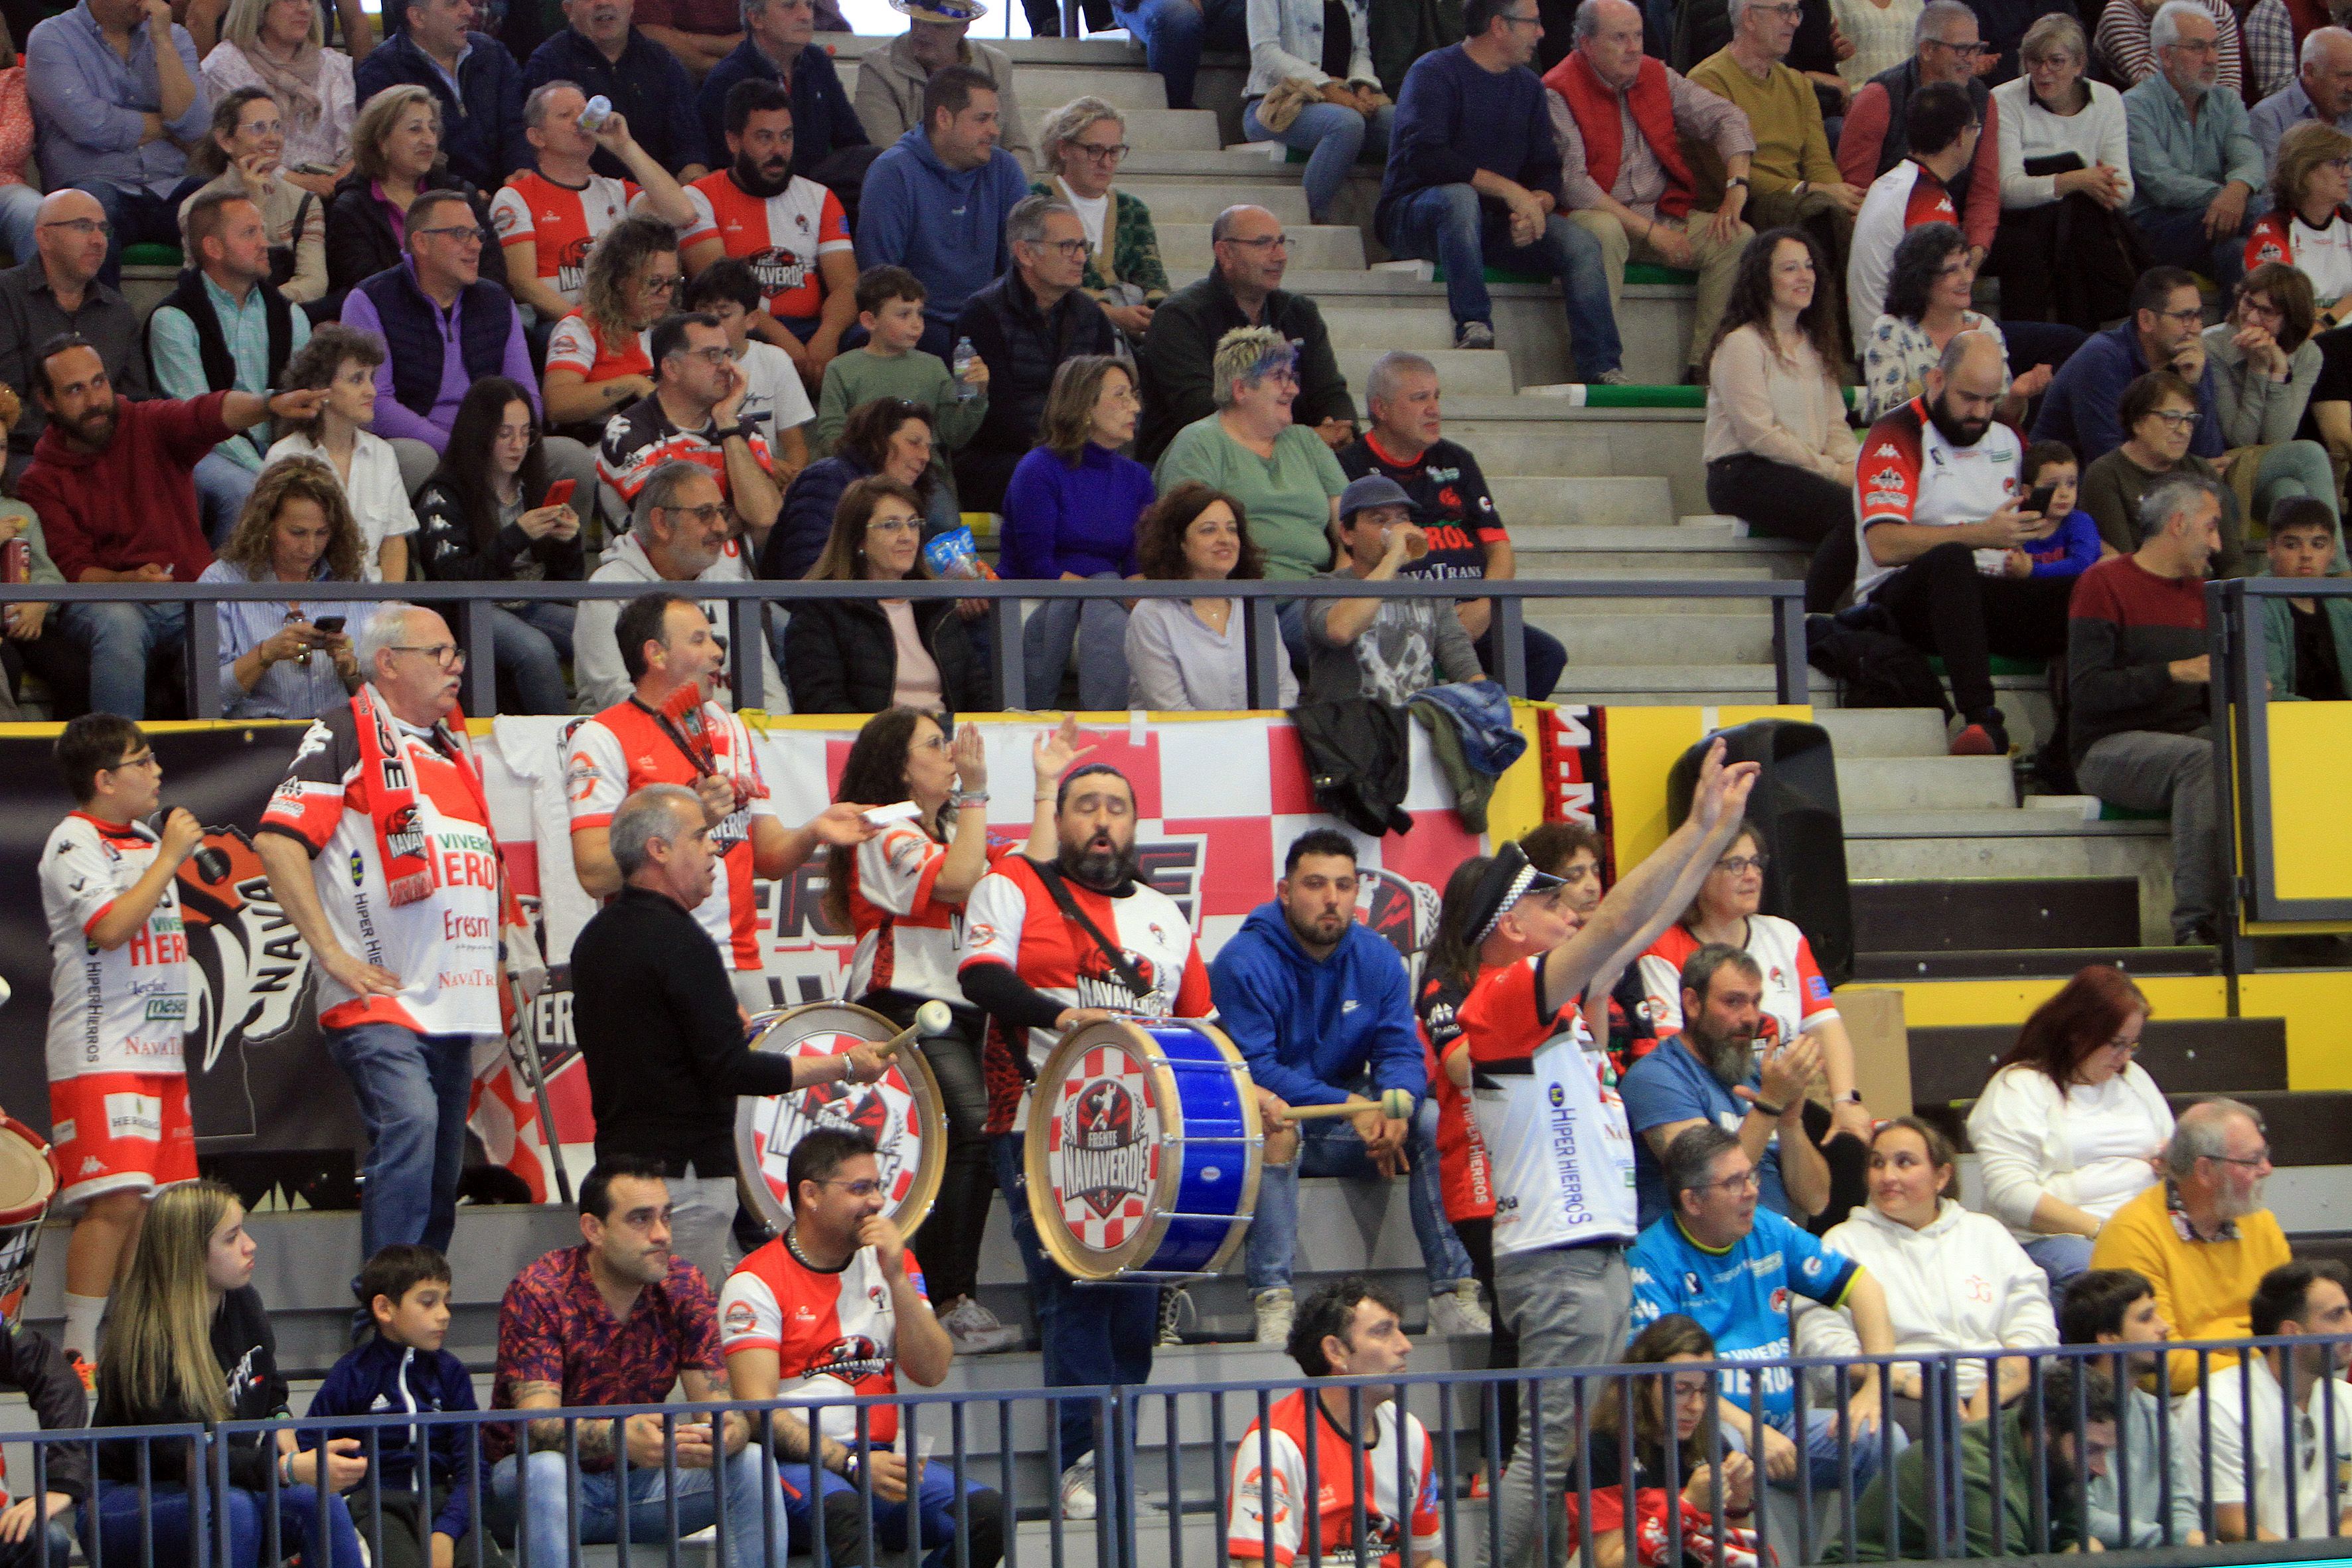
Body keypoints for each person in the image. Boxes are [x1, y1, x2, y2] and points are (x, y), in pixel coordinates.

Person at [1458, 740, 1759, 1568]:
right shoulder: (1505, 998)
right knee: (1542, 1458)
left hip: (1589, 1257)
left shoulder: (1560, 1008)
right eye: (1555, 907)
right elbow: (1623, 917)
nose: (1575, 917)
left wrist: (1708, 840)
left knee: (1563, 1457)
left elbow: (1647, 923)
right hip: (1558, 1262)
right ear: (1510, 926)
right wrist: (1696, 822)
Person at [956, 755, 1221, 1515]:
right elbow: (980, 976)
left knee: (1136, 1304)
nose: (1101, 820)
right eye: (1085, 805)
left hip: (1145, 1137)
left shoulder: (1165, 915)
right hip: (1038, 1122)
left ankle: (1110, 1467)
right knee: (1074, 1292)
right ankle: (1080, 1467)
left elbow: (1201, 1027)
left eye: (1116, 807)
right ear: (1060, 817)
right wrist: (1055, 1015)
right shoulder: (1011, 884)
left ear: (1134, 826)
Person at [254, 602, 507, 1268]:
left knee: (442, 1171)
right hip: (379, 996)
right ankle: (384, 1323)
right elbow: (278, 842)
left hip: (454, 1001)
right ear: (388, 664)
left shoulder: (453, 750)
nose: (457, 666)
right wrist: (331, 953)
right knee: (413, 1125)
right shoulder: (344, 732)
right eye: (441, 653)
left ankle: (422, 1313)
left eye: (456, 653)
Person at [824, 712, 1078, 1359]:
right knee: (970, 1130)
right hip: (902, 1006)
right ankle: (949, 1302)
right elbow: (959, 879)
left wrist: (1046, 786)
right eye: (934, 745)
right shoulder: (883, 828)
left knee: (991, 1138)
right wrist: (976, 791)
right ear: (899, 764)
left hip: (968, 1010)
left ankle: (965, 1299)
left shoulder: (954, 829)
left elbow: (1034, 872)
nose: (950, 753)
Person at [570, 785, 884, 1282]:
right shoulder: (682, 943)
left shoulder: (595, 939)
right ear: (659, 849)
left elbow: (650, 1044)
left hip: (620, 1170)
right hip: (685, 1178)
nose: (716, 847)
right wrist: (846, 1063)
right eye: (700, 836)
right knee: (682, 1334)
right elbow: (733, 1069)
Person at [1212, 829, 1482, 1342]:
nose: (1331, 899)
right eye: (1315, 884)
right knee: (1275, 1125)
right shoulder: (1241, 960)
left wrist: (1394, 1109)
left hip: (1345, 1129)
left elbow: (1400, 1052)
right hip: (1274, 1126)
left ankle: (1453, 1291)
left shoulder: (1377, 956)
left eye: (1343, 885)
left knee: (1431, 1119)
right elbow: (1255, 1069)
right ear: (1284, 891)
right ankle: (1272, 1300)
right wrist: (1351, 1104)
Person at [718, 1127, 1005, 1568]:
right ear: (810, 1194)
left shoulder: (895, 1263)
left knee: (987, 1515)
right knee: (846, 1516)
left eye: (877, 1187)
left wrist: (895, 1279)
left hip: (879, 1460)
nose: (876, 1202)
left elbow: (931, 1370)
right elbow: (757, 1410)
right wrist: (849, 1464)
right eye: (860, 1189)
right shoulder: (754, 1280)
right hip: (797, 1464)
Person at [570, 590, 869, 1009]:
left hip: (743, 961)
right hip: (656, 960)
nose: (717, 652)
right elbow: (595, 873)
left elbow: (768, 856)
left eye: (714, 639)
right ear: (655, 655)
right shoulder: (602, 736)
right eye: (698, 640)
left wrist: (816, 829)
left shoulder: (729, 726)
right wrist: (695, 819)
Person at [484, 1158, 787, 1568]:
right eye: (641, 1220)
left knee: (751, 1461)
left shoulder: (684, 1284)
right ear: (594, 1230)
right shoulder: (540, 1290)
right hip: (539, 1492)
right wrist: (618, 1437)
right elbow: (536, 1427)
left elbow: (721, 1410)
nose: (662, 1235)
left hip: (645, 1483)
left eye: (666, 1217)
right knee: (547, 1470)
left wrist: (720, 1436)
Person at [22, 337, 325, 720]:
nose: (95, 399)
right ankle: (117, 758)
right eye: (75, 390)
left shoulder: (146, 423)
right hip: (108, 599)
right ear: (47, 403)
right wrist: (130, 581)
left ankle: (239, 752)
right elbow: (74, 571)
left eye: (99, 382)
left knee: (232, 618)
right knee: (119, 625)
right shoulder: (41, 477)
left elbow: (207, 415)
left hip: (188, 591)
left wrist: (268, 404)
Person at [90, 1182, 366, 1568]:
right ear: (190, 1256)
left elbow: (271, 1390)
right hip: (125, 1497)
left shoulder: (243, 1301)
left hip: (214, 1484)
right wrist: (285, 1469)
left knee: (316, 1498)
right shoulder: (146, 1345)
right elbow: (186, 1457)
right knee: (232, 1507)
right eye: (232, 1238)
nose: (250, 1245)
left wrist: (281, 1423)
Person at [39, 714, 200, 1370]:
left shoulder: (138, 834)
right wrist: (168, 858)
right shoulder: (72, 842)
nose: (157, 770)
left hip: (161, 1052)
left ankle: (136, 1354)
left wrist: (159, 854)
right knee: (116, 1201)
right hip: (102, 1050)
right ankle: (79, 1350)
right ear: (105, 780)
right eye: (143, 760)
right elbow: (108, 927)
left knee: (157, 1217)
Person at [1629, 1127, 1907, 1496]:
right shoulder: (1651, 1258)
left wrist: (1876, 1383)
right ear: (1693, 1201)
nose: (1752, 1191)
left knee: (1883, 1437)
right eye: (1734, 1183)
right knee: (1726, 1448)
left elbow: (1863, 1287)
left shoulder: (1768, 1229)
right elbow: (1666, 1379)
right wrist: (1752, 1430)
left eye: (1752, 1175)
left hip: (1788, 1425)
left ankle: (1877, 1554)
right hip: (1709, 1429)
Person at [1849, 331, 2070, 757]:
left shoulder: (2005, 437)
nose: (1980, 413)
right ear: (1936, 380)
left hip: (1987, 592)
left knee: (2090, 593)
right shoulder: (1896, 433)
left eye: (1991, 401)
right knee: (1951, 560)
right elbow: (1883, 544)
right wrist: (1980, 535)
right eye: (1969, 398)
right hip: (1903, 600)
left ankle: (2068, 751)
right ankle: (1983, 722)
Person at [1377, 0, 1625, 376]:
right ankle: (1474, 324)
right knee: (1459, 199)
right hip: (1414, 216)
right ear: (1499, 26)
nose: (1542, 33)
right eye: (1533, 23)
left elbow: (1545, 168)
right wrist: (1510, 191)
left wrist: (1537, 204)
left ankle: (1603, 366)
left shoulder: (1528, 87)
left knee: (1582, 244)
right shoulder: (1433, 72)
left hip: (1492, 224)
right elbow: (1426, 158)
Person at [1797, 1117, 2056, 1439]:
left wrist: (1990, 1395)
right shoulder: (1842, 1243)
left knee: (2060, 1427)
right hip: (1899, 1392)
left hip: (1995, 1387)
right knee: (1943, 1435)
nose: (1888, 1176)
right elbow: (1821, 1342)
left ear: (1942, 1176)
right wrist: (1914, 1385)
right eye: (1878, 1164)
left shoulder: (1986, 1232)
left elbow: (2034, 1321)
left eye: (1904, 1163)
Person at [1543, 0, 1757, 386]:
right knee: (1603, 232)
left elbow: (1728, 118)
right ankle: (1600, 366)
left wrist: (1737, 186)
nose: (1634, 48)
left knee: (1737, 237)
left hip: (1662, 212)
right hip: (1599, 214)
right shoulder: (1558, 89)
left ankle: (1706, 366)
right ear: (1586, 44)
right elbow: (1573, 185)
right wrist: (1651, 232)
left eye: (1638, 35)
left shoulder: (1655, 75)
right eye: (1620, 38)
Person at [1338, 351, 1567, 698]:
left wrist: (1484, 608)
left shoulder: (1457, 459)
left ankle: (1491, 737)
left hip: (1473, 608)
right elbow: (1347, 558)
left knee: (1546, 655)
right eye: (1420, 399)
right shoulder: (1347, 465)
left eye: (1437, 397)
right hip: (1398, 609)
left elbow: (1500, 550)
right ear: (1381, 409)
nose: (1434, 409)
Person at [2068, 474, 2233, 942]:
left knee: (2257, 753)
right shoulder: (2103, 583)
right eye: (2211, 528)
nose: (2217, 544)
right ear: (2178, 524)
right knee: (2201, 761)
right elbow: (2086, 691)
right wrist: (2171, 672)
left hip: (2185, 735)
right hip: (2105, 747)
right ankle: (2195, 924)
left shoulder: (2206, 594)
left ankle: (2285, 912)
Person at [1637, 821, 1873, 1144]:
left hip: (1788, 1114)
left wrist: (1845, 1101)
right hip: (1712, 1111)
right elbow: (1674, 1053)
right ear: (1699, 872)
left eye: (1756, 863)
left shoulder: (1784, 936)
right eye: (1735, 865)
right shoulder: (1664, 946)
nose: (1752, 876)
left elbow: (1825, 1024)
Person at [1967, 964, 2174, 1287]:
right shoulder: (2020, 1086)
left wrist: (2170, 1163)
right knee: (2106, 1280)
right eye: (2116, 1043)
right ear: (2078, 1032)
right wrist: (2102, 1229)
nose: (2124, 1058)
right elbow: (2010, 1193)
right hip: (2052, 1238)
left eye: (2132, 1045)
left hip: (2141, 1227)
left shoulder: (2134, 1079)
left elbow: (2171, 1145)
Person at [341, 187, 550, 490]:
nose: (477, 245)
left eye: (477, 234)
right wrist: (457, 449)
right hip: (419, 444)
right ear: (421, 242)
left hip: (496, 442)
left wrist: (510, 440)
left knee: (570, 457)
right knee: (416, 459)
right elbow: (377, 404)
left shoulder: (496, 301)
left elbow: (526, 391)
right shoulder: (370, 301)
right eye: (460, 234)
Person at [1224, 1279, 1442, 1567]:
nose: (1405, 1345)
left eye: (1399, 1330)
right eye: (1383, 1332)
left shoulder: (1410, 1431)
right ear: (1336, 1351)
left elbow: (1423, 1561)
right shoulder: (1276, 1442)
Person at [1688, 0, 1866, 346]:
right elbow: (1725, 172)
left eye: (1795, 12)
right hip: (1741, 202)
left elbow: (1819, 163)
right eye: (1783, 11)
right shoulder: (1708, 80)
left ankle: (1860, 344)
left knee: (1860, 212)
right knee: (1821, 212)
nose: (1794, 22)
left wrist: (1844, 198)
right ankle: (1831, 347)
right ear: (1749, 17)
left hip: (1801, 198)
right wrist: (1809, 190)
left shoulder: (1797, 85)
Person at [1620, 942, 1831, 1227]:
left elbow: (1815, 1201)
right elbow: (1709, 1182)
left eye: (1755, 1002)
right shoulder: (1655, 1079)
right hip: (1698, 1260)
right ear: (1693, 1003)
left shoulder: (1758, 1076)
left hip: (1772, 1247)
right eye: (1733, 1002)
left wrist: (1790, 1123)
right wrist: (1769, 1105)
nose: (1750, 1018)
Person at [1703, 226, 1857, 613]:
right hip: (1741, 472)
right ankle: (1803, 619)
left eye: (1809, 267)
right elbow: (1759, 433)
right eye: (1790, 269)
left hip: (1800, 470)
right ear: (1762, 278)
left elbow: (1836, 424)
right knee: (1851, 515)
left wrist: (1854, 465)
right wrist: (1832, 471)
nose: (1804, 277)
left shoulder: (1815, 344)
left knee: (1874, 507)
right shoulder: (1742, 343)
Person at [147, 187, 314, 543]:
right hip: (203, 451)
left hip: (279, 451)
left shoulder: (291, 315)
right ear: (214, 248)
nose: (264, 242)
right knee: (245, 492)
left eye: (262, 230)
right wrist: (269, 472)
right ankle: (232, 598)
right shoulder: (173, 320)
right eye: (249, 232)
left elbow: (304, 402)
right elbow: (197, 418)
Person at [303, 1246, 487, 1568]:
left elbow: (473, 1469)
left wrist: (447, 1532)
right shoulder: (351, 1374)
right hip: (374, 1507)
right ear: (384, 1309)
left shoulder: (452, 1374)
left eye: (447, 1301)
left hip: (446, 1505)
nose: (444, 1314)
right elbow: (309, 1449)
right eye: (428, 1302)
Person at [1133, 202, 1358, 463]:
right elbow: (1200, 410)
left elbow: (1330, 391)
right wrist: (1303, 439)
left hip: (1295, 462)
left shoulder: (1301, 312)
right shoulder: (1180, 317)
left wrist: (1342, 428)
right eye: (1264, 243)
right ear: (1225, 252)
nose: (1280, 256)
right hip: (1204, 462)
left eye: (1282, 242)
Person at [2090, 1097, 2291, 1387]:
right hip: (2178, 1405)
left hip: (2266, 1388)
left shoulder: (2261, 1223)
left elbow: (2295, 1330)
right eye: (2252, 1160)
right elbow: (2155, 1362)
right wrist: (2264, 1368)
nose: (2267, 1169)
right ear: (2205, 1171)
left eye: (2265, 1155)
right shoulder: (2132, 1233)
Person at [411, 376, 584, 714]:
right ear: (479, 435)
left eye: (525, 433)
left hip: (531, 601)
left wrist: (568, 541)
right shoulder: (442, 494)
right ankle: (557, 744)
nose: (517, 445)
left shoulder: (535, 483)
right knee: (535, 651)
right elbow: (455, 579)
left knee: (601, 631)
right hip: (474, 607)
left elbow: (566, 583)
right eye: (504, 434)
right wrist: (517, 534)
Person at [1834, 1359, 2115, 1560]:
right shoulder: (1977, 1473)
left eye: (2105, 1451)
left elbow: (2071, 1540)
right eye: (2091, 1449)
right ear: (2045, 1431)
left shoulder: (2059, 1462)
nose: (2101, 1469)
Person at [680, 80, 856, 382]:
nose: (779, 151)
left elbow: (847, 284)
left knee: (867, 338)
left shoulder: (820, 197)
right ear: (733, 142)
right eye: (764, 138)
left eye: (786, 137)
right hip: (740, 328)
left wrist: (827, 337)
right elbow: (719, 291)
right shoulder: (699, 197)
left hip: (812, 330)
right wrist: (787, 345)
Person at [950, 196, 1115, 516]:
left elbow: (1106, 395)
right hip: (1001, 458)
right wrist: (1057, 452)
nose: (1082, 258)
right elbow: (994, 417)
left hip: (1076, 451)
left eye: (1084, 246)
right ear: (1025, 253)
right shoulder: (982, 314)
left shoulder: (1091, 316)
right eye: (1068, 247)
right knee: (1045, 480)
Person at [576, 457, 783, 712]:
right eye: (704, 514)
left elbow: (769, 692)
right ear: (661, 523)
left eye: (722, 513)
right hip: (635, 741)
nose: (721, 527)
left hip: (729, 736)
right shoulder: (608, 588)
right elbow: (616, 695)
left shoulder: (730, 585)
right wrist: (697, 734)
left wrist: (772, 740)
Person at [1001, 354, 1149, 709]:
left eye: (1134, 395)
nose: (1136, 407)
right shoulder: (1038, 469)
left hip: (1106, 596)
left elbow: (1135, 568)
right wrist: (1104, 590)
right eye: (1121, 395)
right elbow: (1038, 565)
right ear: (1085, 406)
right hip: (1037, 597)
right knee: (1110, 608)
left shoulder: (1137, 478)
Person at [24, 0, 206, 287]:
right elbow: (90, 126)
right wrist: (165, 126)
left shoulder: (174, 36)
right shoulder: (52, 37)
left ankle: (206, 324)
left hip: (169, 185)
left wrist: (163, 42)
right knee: (89, 215)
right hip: (94, 183)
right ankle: (100, 327)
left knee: (226, 210)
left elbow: (194, 125)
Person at [856, 65, 1030, 361]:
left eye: (995, 119)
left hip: (987, 319)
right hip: (916, 323)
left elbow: (1022, 262)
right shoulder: (893, 172)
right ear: (944, 118)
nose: (995, 131)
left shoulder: (1005, 169)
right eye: (982, 119)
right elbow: (880, 276)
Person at [1561, 1316, 1763, 1568]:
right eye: (1681, 1390)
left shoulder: (1713, 1445)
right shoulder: (1601, 1452)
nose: (1696, 1406)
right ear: (1643, 1384)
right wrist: (1686, 1507)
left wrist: (1739, 1502)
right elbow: (1609, 1562)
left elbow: (1737, 1557)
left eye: (1705, 1390)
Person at [1154, 327, 1348, 587]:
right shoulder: (1199, 443)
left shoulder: (1307, 442)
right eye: (1279, 377)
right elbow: (1188, 540)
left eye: (1292, 378)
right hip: (1242, 594)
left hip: (1319, 590)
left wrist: (1341, 587)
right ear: (1241, 389)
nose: (1293, 390)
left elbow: (1352, 526)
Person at [491, 82, 695, 328]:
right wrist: (589, 326)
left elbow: (682, 213)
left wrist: (625, 146)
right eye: (565, 115)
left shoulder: (616, 191)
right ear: (537, 137)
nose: (580, 122)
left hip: (623, 323)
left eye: (584, 112)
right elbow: (522, 283)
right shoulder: (515, 196)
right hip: (560, 327)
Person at [2175, 1259, 2352, 1540]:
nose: (2350, 1326)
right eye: (2336, 1316)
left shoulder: (2347, 1401)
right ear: (2292, 1332)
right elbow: (2232, 1525)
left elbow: (2350, 1515)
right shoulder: (2218, 1405)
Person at [1990, 14, 2142, 333]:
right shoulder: (2004, 99)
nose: (2043, 72)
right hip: (2024, 223)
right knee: (2072, 214)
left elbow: (2124, 191)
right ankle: (2092, 332)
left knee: (2078, 219)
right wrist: (2077, 179)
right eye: (2035, 61)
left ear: (2079, 64)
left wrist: (2087, 186)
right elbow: (2007, 190)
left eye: (2056, 61)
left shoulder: (2108, 100)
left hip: (2086, 222)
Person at [784, 477, 992, 709]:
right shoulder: (821, 608)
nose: (907, 536)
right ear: (858, 539)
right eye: (891, 525)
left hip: (947, 740)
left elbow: (978, 692)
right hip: (873, 742)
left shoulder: (935, 603)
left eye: (913, 524)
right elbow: (821, 703)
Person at [596, 311, 783, 555]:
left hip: (731, 581)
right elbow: (672, 532)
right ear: (672, 368)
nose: (727, 366)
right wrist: (740, 517)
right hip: (647, 581)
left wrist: (726, 423)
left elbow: (765, 514)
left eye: (728, 354)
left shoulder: (740, 428)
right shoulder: (626, 431)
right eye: (712, 355)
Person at [198, 455, 370, 720]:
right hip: (257, 743)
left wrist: (351, 673)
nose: (310, 548)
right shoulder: (221, 581)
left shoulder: (352, 578)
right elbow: (207, 696)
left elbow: (389, 694)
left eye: (322, 533)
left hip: (342, 738)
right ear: (266, 526)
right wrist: (266, 654)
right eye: (297, 533)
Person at [0, 190, 151, 484]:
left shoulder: (118, 310)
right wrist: (74, 449)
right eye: (83, 227)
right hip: (28, 452)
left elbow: (135, 399)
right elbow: (9, 402)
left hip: (104, 451)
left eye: (103, 229)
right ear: (44, 238)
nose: (98, 240)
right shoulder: (5, 297)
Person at [1837, 2, 2001, 262]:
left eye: (1976, 49)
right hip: (1890, 241)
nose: (1971, 59)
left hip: (1952, 237)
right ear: (1927, 49)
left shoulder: (1984, 102)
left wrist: (1974, 254)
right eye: (1961, 49)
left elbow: (1985, 190)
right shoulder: (1878, 97)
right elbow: (1855, 197)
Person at [324, 86, 510, 310]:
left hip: (469, 314)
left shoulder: (461, 195)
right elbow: (369, 286)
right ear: (381, 142)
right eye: (415, 130)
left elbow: (492, 270)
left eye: (432, 130)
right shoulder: (352, 209)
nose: (430, 141)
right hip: (393, 323)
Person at [1303, 473, 1484, 703]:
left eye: (1402, 518)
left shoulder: (1426, 592)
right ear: (1347, 534)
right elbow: (1340, 631)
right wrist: (1394, 556)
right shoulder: (1326, 586)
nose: (1394, 528)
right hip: (1350, 728)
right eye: (1379, 520)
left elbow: (1459, 657)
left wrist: (1488, 701)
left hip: (1417, 724)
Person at [2059, 1268, 2207, 1547]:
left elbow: (2180, 1502)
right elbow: (2078, 1517)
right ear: (2108, 1337)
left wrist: (2189, 1538)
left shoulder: (2155, 1411)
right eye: (2146, 1318)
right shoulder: (2064, 1411)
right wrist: (2175, 1539)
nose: (2164, 1327)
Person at [1123, 482, 1298, 709]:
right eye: (1209, 530)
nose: (1225, 539)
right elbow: (1171, 709)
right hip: (1179, 741)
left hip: (1254, 739)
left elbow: (1285, 690)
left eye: (1232, 529)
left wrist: (1260, 734)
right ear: (1179, 543)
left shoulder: (1254, 606)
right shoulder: (1152, 613)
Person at [1857, 222, 2051, 426]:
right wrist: (1949, 361)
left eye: (1967, 265)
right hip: (1912, 445)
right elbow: (1881, 412)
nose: (1967, 279)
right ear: (1921, 281)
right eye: (1952, 270)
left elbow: (1996, 421)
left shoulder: (1984, 328)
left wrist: (2017, 396)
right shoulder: (1890, 330)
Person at [810, 264, 984, 490]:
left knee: (946, 521)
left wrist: (977, 394)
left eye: (919, 313)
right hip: (864, 478)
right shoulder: (841, 369)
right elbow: (831, 435)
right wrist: (869, 461)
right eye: (903, 314)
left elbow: (955, 435)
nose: (916, 324)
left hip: (924, 477)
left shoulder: (933, 367)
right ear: (869, 321)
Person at [2124, 1, 2262, 287]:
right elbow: (2162, 184)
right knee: (2262, 210)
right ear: (2167, 56)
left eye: (2215, 46)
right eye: (2198, 48)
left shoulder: (2227, 101)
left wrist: (2236, 192)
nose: (2212, 58)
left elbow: (2249, 158)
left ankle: (2244, 330)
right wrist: (2229, 197)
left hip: (2217, 222)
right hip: (2158, 227)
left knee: (2234, 252)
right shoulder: (2134, 106)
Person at [266, 323, 417, 584]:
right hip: (309, 598)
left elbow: (394, 544)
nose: (371, 391)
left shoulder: (383, 454)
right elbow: (275, 551)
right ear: (320, 388)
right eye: (357, 379)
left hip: (372, 601)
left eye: (371, 378)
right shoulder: (284, 456)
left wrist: (391, 606)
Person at [2201, 264, 2341, 542]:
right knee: (2311, 454)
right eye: (2248, 302)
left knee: (2289, 493)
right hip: (2226, 466)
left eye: (2267, 312)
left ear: (2290, 319)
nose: (2252, 317)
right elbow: (2239, 438)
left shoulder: (2308, 355)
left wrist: (2278, 370)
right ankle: (2340, 572)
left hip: (2268, 469)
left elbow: (2277, 437)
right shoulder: (2214, 346)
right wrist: (2258, 371)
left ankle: (2305, 580)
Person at [2035, 268, 2227, 465]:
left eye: (2199, 315)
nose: (2196, 328)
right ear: (2146, 320)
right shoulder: (2102, 358)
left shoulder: (2190, 359)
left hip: (2150, 480)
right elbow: (2108, 461)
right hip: (2071, 483)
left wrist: (2194, 385)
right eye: (2185, 317)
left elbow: (2210, 458)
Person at [1845, 82, 1989, 344]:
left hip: (1875, 339)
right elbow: (1943, 294)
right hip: (1901, 352)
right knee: (2061, 343)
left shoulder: (1888, 182)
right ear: (1959, 137)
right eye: (1974, 130)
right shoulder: (1928, 200)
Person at [694, 0, 868, 197]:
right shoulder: (728, 78)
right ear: (757, 19)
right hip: (758, 194)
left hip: (817, 191)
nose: (806, 16)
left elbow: (853, 141)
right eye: (790, 6)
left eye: (809, 5)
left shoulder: (818, 62)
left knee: (873, 161)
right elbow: (724, 161)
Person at [1241, 0, 1393, 226]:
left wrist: (1363, 87)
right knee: (1346, 124)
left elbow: (1361, 51)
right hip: (1275, 105)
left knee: (1403, 122)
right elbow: (1265, 52)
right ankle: (1309, 219)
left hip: (1345, 98)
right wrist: (1327, 87)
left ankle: (1398, 225)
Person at [771, 395, 955, 581]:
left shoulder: (909, 496)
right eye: (914, 443)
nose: (925, 456)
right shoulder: (827, 479)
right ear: (878, 441)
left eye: (928, 448)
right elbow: (806, 573)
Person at [353, 0, 526, 196]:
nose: (469, 11)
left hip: (507, 196)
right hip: (431, 204)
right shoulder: (381, 73)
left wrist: (520, 168)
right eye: (453, 4)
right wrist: (464, 194)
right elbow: (399, 159)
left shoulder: (492, 54)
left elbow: (517, 125)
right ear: (418, 17)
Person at [521, 0, 708, 183]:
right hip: (585, 193)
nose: (603, 3)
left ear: (632, 5)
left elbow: (689, 149)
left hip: (659, 195)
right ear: (568, 10)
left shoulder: (662, 60)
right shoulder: (548, 63)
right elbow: (542, 152)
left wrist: (695, 182)